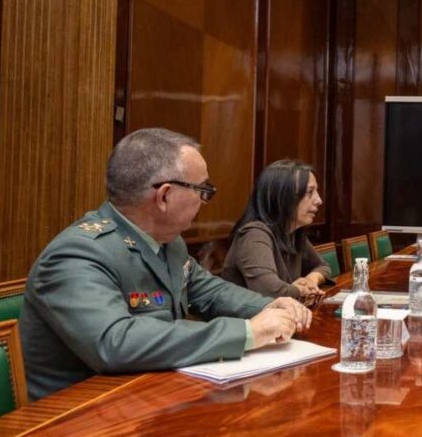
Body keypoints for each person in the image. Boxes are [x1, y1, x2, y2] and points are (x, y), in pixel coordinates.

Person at [18, 128, 312, 400]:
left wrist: (268, 307)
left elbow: (210, 290)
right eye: (203, 191)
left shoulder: (169, 243)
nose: (204, 201)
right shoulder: (78, 254)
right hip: (79, 413)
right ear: (165, 196)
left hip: (146, 395)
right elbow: (116, 342)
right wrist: (247, 332)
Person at [221, 160, 331, 301]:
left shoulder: (293, 232)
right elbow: (270, 290)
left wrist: (311, 280)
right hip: (249, 321)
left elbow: (322, 266)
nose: (319, 200)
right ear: (282, 196)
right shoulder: (254, 234)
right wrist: (299, 289)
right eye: (310, 192)